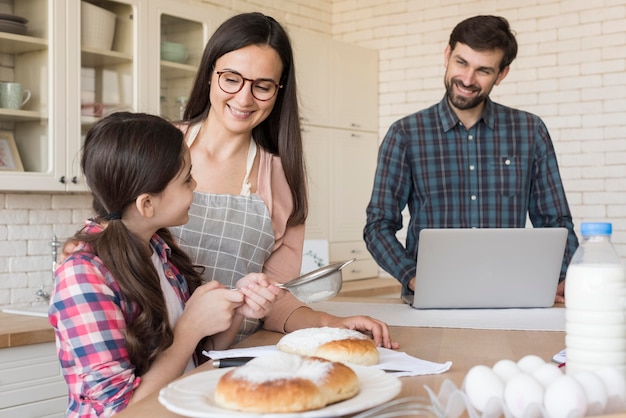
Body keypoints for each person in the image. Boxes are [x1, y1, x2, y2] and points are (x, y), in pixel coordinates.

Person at [173, 12, 398, 346]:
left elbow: (278, 296)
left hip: (233, 356)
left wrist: (331, 323)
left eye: (262, 86)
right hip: (155, 350)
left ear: (279, 91)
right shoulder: (160, 148)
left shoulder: (282, 177)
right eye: (231, 79)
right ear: (209, 74)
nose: (244, 99)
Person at [49, 112, 280, 417]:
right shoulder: (83, 277)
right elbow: (121, 411)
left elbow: (193, 356)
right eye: (186, 179)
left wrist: (237, 310)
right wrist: (190, 328)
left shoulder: (159, 249)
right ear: (147, 204)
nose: (195, 185)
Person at [363, 15, 579, 304]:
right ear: (447, 55)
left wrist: (562, 276)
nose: (467, 79)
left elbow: (556, 222)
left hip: (514, 295)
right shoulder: (405, 134)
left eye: (483, 70)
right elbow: (378, 225)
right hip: (431, 299)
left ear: (502, 74)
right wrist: (413, 275)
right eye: (461, 63)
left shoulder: (530, 131)